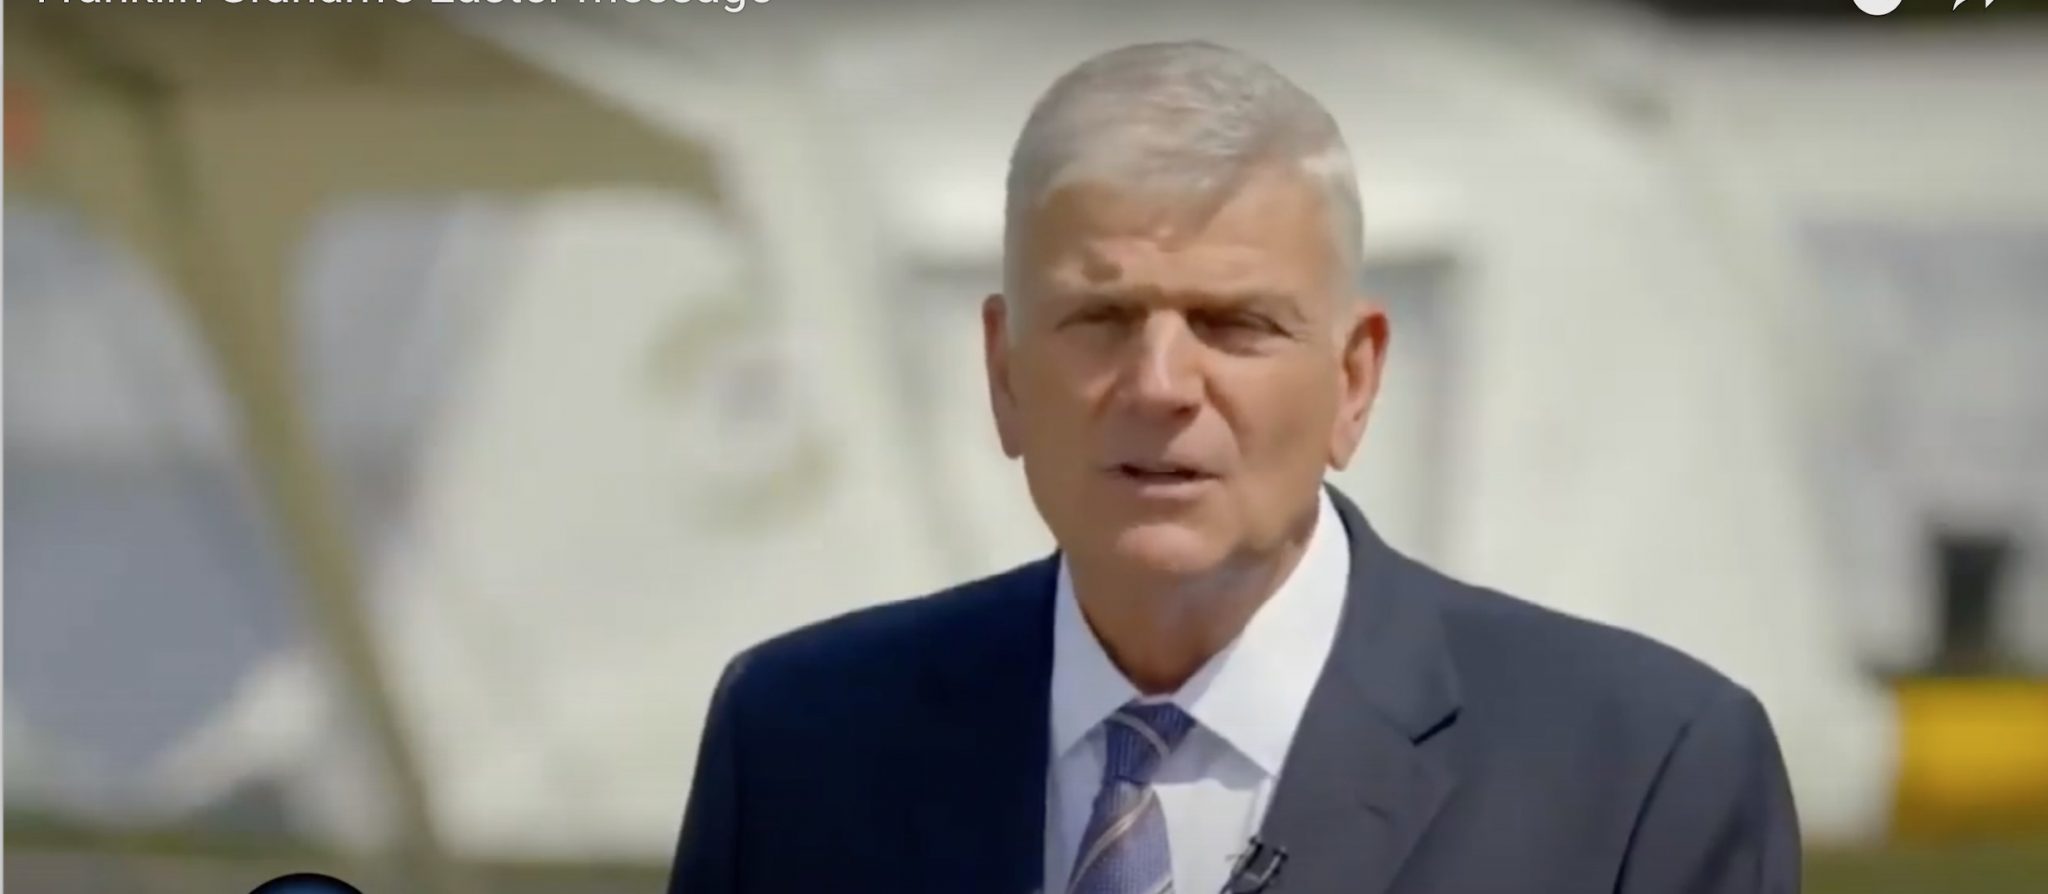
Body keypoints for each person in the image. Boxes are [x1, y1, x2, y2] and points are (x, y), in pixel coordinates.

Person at [666, 40, 1800, 894]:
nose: (1160, 383)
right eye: (1100, 318)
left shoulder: (1639, 773)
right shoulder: (802, 743)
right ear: (1005, 374)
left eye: (1234, 324)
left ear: (1352, 382)